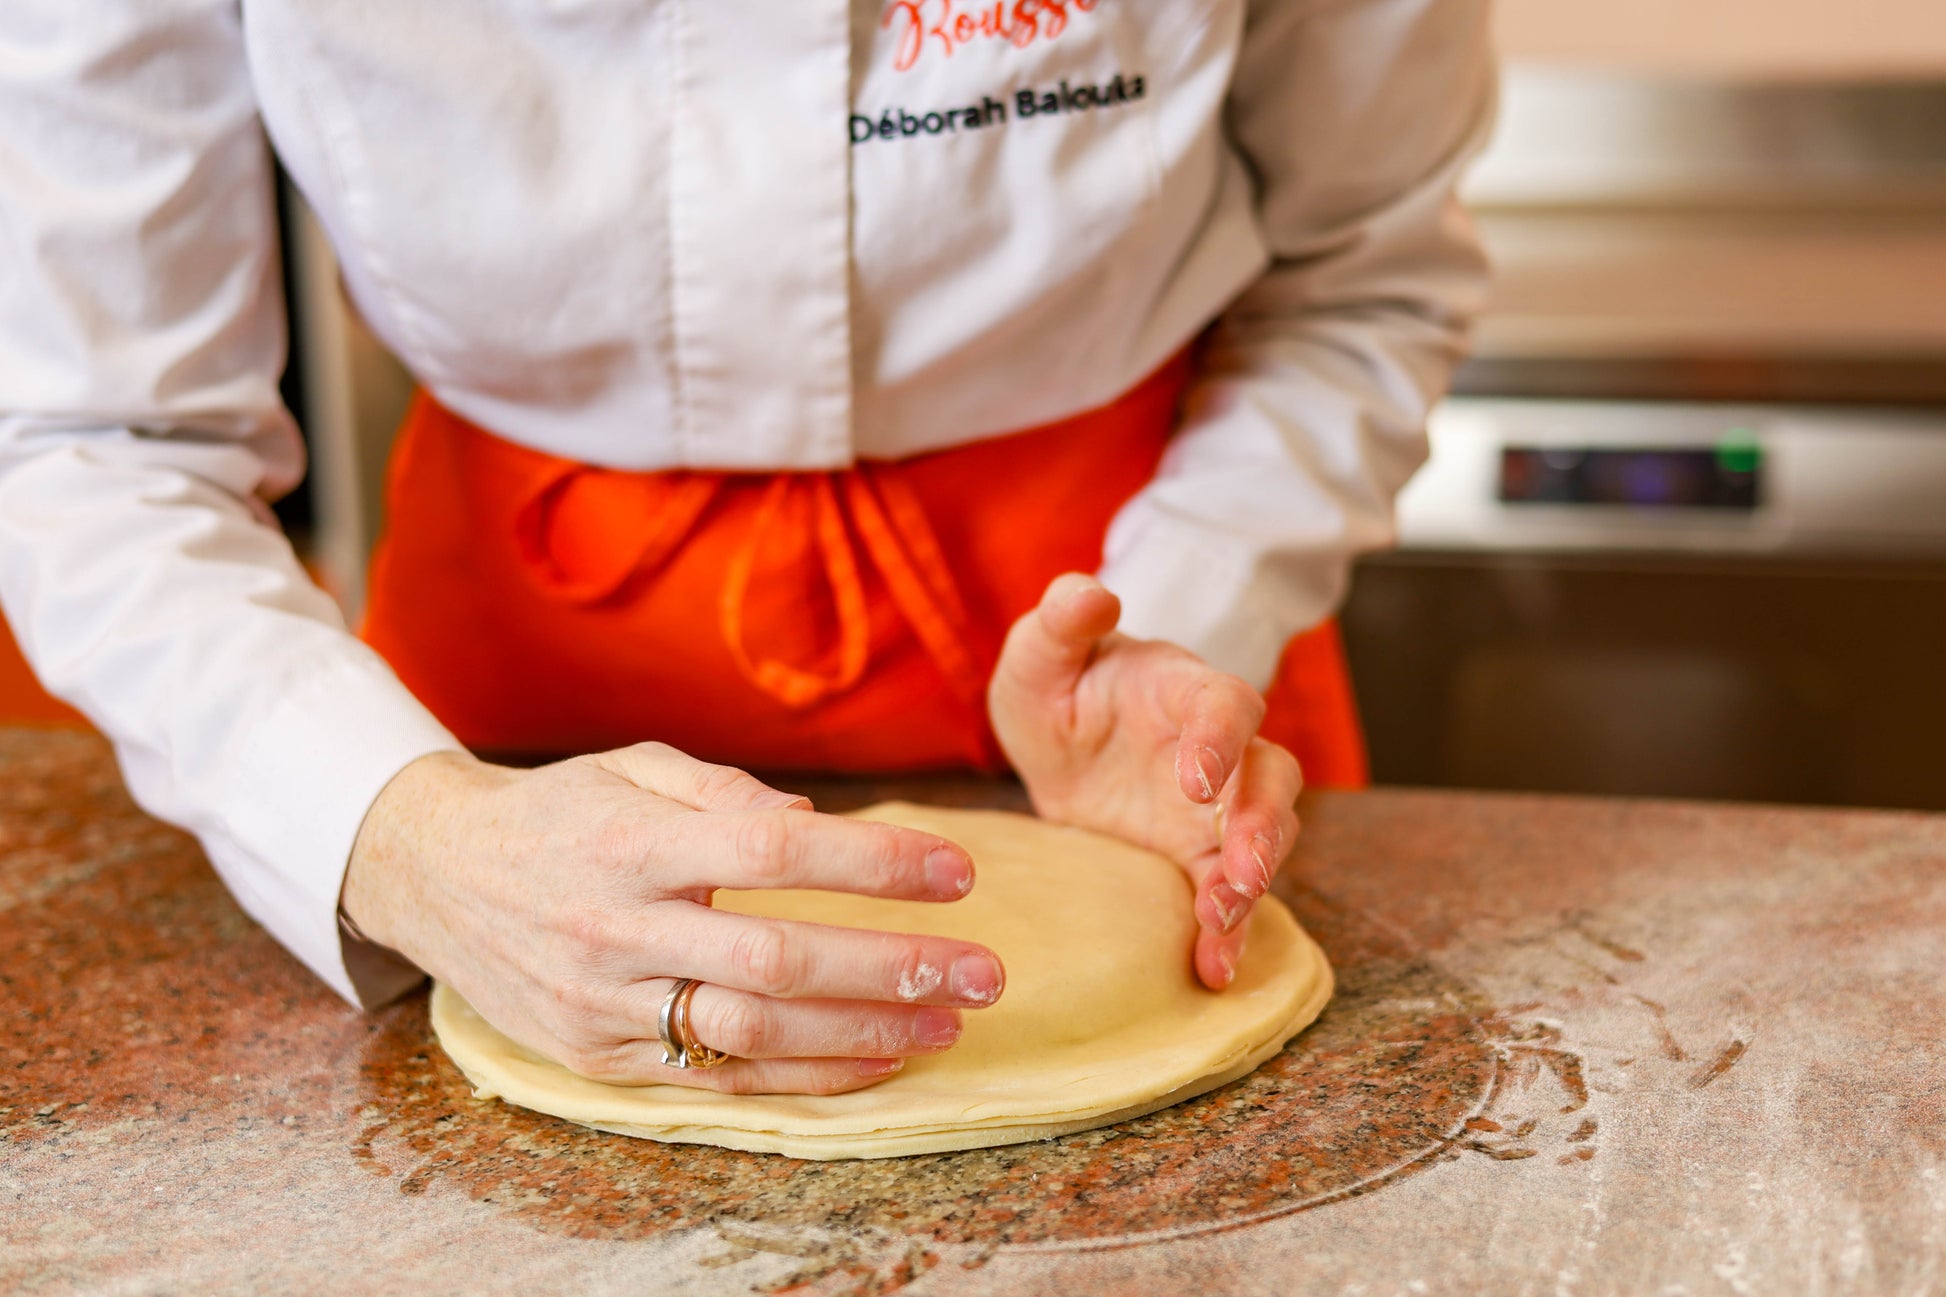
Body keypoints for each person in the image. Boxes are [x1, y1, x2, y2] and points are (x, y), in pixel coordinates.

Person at [0, 0, 1492, 1095]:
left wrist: (1189, 610)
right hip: (496, 699)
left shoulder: (1166, 647)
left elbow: (1360, 277)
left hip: (1133, 629)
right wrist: (398, 830)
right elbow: (94, 436)